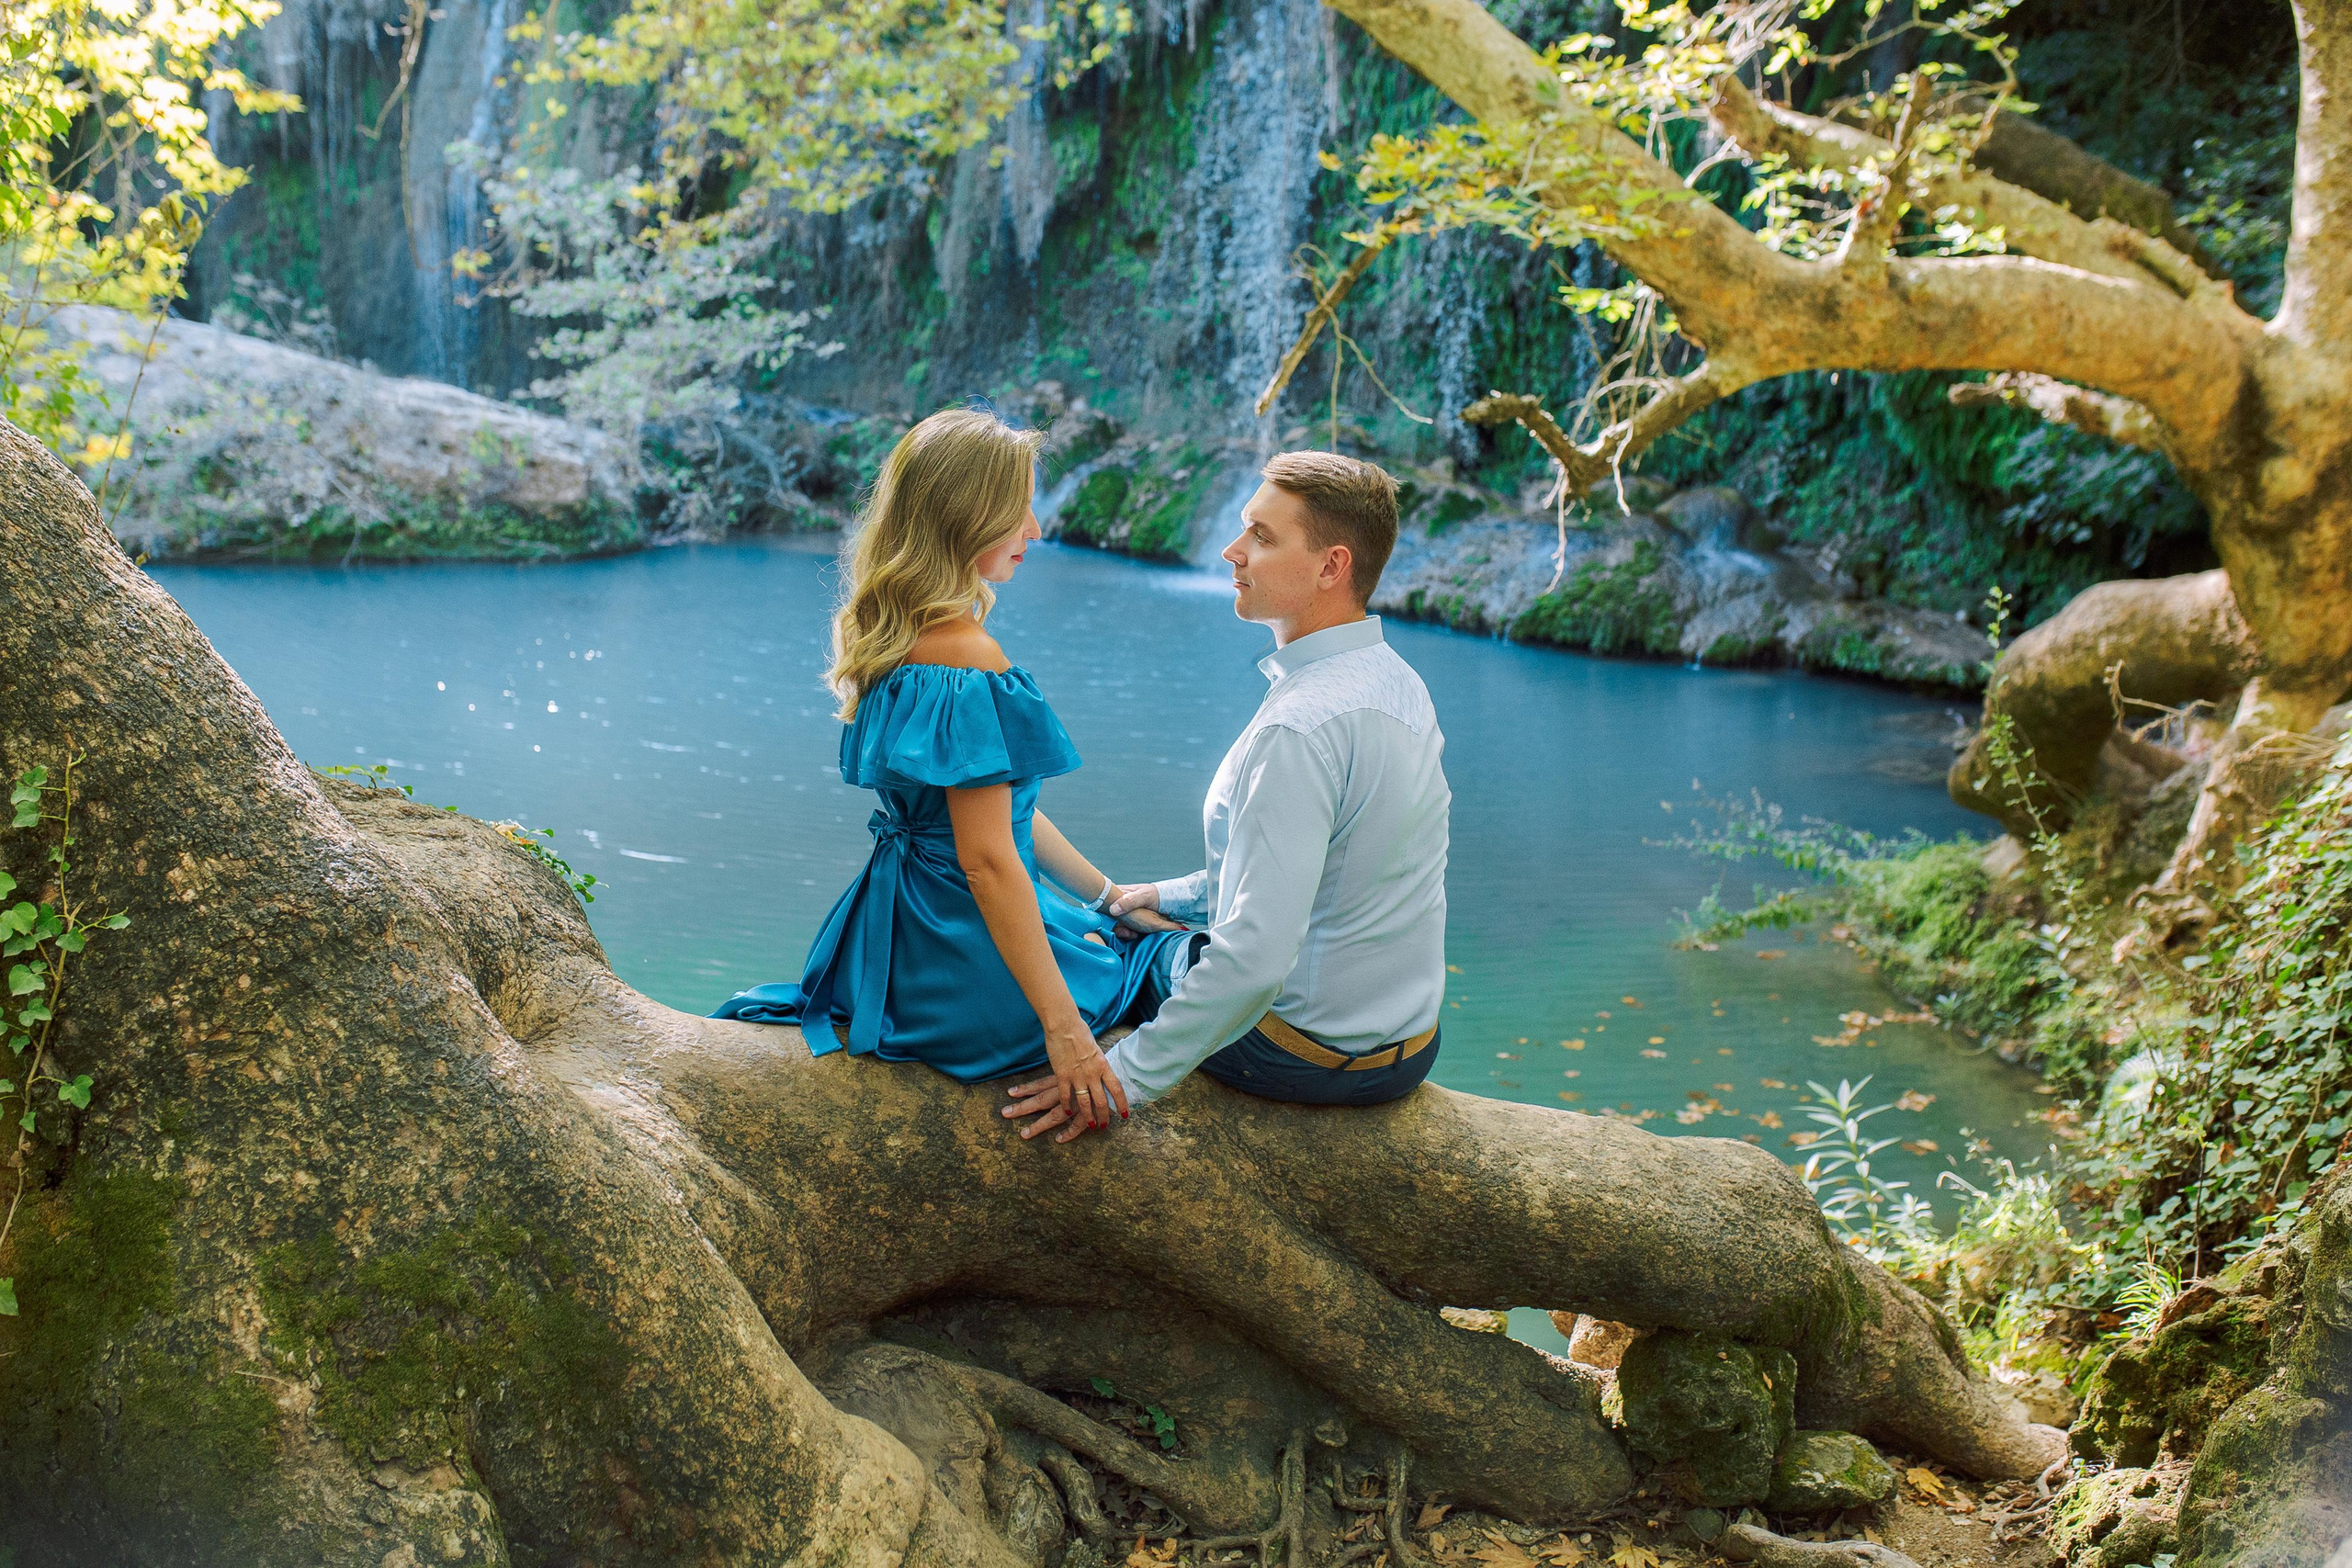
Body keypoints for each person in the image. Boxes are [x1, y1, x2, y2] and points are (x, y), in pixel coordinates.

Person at [711, 407, 1188, 1140]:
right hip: (967, 956)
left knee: (1111, 925)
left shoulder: (889, 634)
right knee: (1154, 955)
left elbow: (998, 815)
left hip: (899, 937)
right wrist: (1065, 1030)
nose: (1036, 530)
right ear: (966, 515)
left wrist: (1109, 894)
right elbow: (988, 859)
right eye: (1018, 510)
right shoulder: (968, 658)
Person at [1002, 450, 1450, 1141]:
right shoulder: (1396, 682)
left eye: (1261, 537)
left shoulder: (1299, 728)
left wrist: (1119, 1078)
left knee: (1093, 941)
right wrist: (1169, 895)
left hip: (1301, 1053)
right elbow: (1327, 872)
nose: (1231, 550)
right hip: (1407, 1048)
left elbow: (1255, 962)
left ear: (1331, 566)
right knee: (1143, 919)